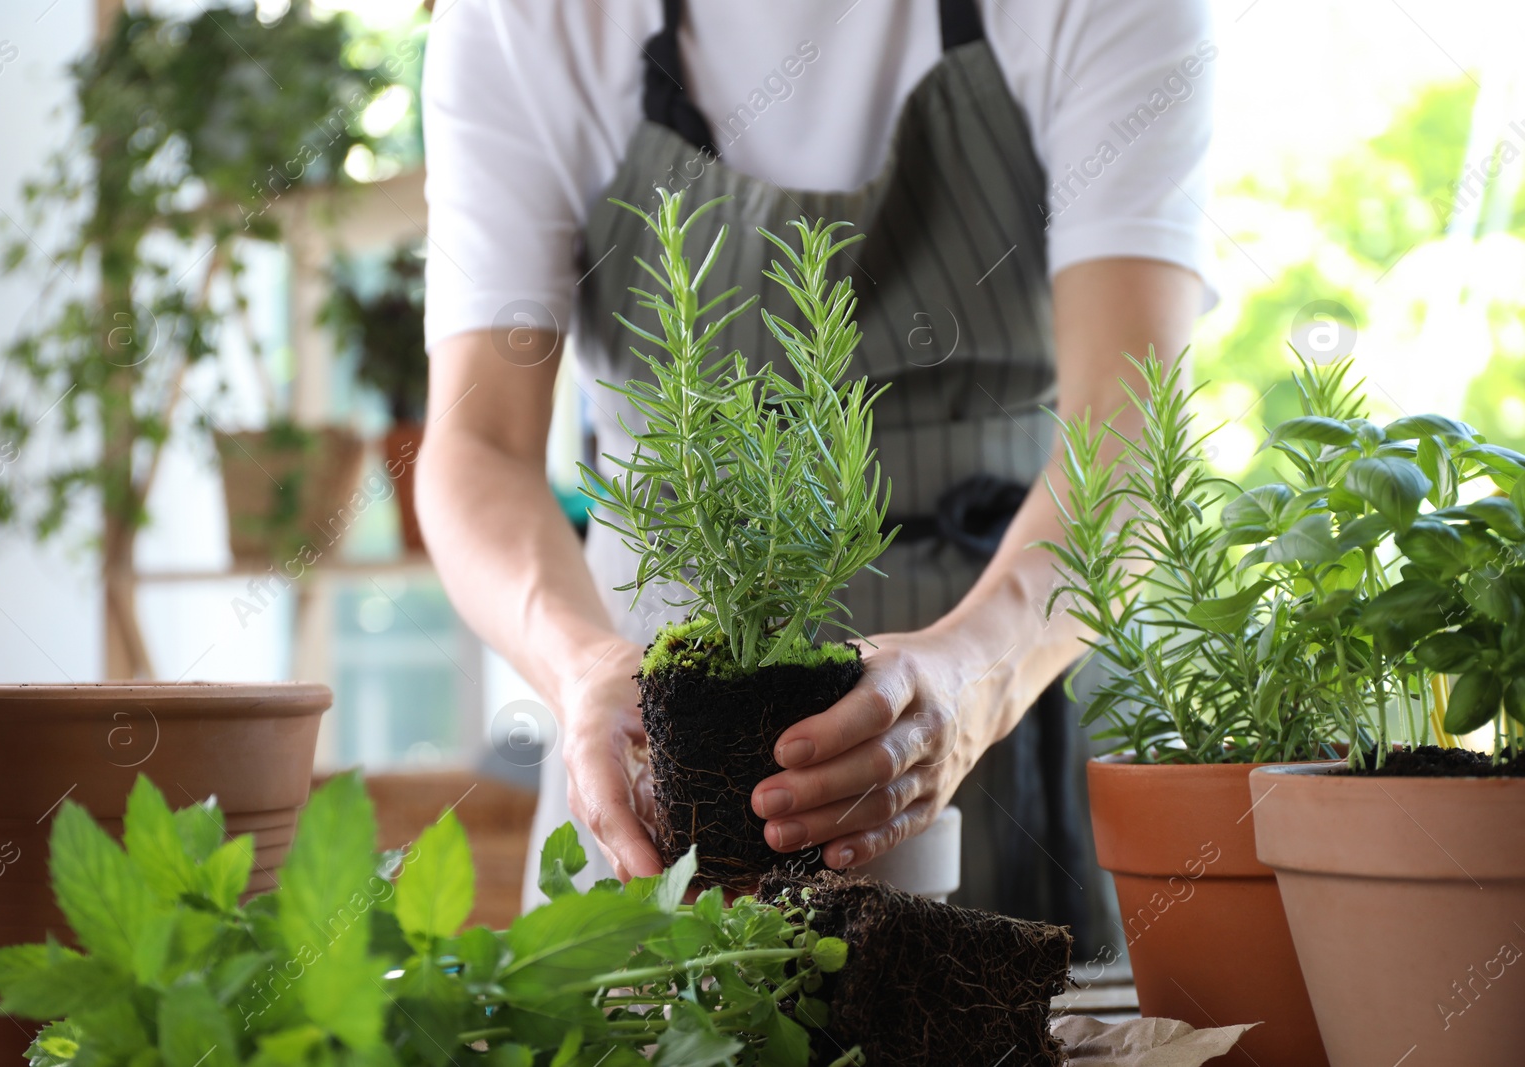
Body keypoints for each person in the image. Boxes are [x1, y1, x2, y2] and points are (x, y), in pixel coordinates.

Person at [418, 0, 1213, 940]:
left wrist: (974, 673)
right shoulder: (526, 18)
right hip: (665, 748)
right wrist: (583, 667)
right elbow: (479, 447)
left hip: (1020, 669)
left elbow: (1127, 432)